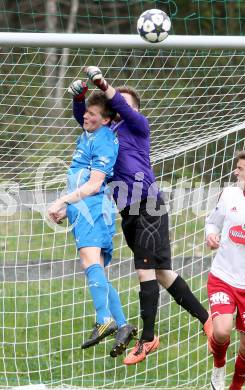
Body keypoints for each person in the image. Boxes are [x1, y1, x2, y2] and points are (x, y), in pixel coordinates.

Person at [68, 67, 212, 365]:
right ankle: (206, 318)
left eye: (124, 104)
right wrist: (79, 98)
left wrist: (104, 84)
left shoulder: (138, 127)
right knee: (162, 272)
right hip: (129, 211)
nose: (118, 107)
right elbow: (88, 118)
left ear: (133, 110)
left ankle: (147, 339)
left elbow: (117, 106)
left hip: (147, 203)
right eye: (115, 104)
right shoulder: (108, 134)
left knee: (144, 270)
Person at [48, 90, 137, 358]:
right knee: (95, 268)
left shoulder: (104, 141)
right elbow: (82, 116)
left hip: (93, 208)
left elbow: (95, 184)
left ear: (107, 119)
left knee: (90, 264)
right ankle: (121, 325)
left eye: (93, 114)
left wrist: (62, 201)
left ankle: (104, 319)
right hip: (84, 207)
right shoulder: (91, 132)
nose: (86, 116)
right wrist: (79, 100)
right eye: (87, 111)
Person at [206, 149, 245, 390]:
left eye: (241, 169)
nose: (235, 172)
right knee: (221, 331)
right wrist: (211, 235)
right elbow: (212, 222)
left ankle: (235, 388)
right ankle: (219, 366)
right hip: (223, 276)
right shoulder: (228, 194)